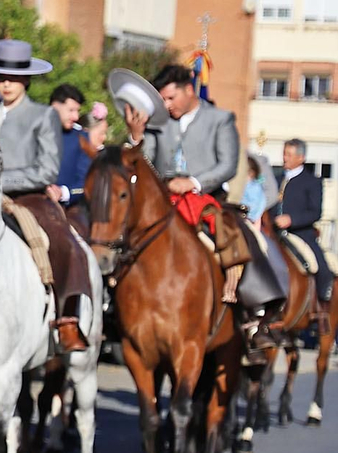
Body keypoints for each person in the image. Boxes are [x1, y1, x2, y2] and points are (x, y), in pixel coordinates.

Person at [110, 66, 284, 333]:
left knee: (241, 236)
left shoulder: (220, 119)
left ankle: (257, 314)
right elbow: (144, 164)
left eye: (170, 98)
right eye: (162, 99)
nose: (166, 105)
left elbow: (226, 164)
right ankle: (112, 302)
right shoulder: (158, 124)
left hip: (208, 199)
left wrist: (193, 182)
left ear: (188, 90)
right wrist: (136, 136)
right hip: (164, 201)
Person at [0, 40, 92, 351]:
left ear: (26, 79)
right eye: (1, 76)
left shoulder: (43, 116)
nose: (6, 83)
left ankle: (67, 319)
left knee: (62, 239)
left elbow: (47, 170)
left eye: (13, 78)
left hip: (28, 197)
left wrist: (0, 181)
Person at [275, 138, 334, 319]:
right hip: (274, 234)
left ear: (301, 158)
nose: (284, 158)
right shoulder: (276, 179)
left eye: (289, 154)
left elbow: (315, 212)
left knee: (322, 266)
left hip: (300, 234)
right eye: (284, 153)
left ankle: (323, 307)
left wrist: (291, 219)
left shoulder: (311, 182)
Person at [50, 83, 87, 206]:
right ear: (55, 107)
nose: (76, 117)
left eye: (77, 111)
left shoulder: (81, 138)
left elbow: (86, 181)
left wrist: (63, 192)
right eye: (71, 110)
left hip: (66, 211)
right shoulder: (33, 132)